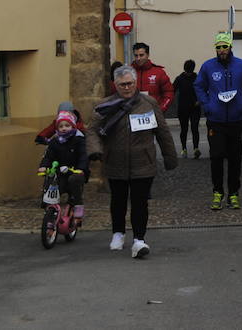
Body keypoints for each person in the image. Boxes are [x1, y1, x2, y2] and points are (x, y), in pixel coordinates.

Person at [86, 64, 178, 259]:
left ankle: (139, 238)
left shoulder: (149, 103)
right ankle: (118, 233)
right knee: (118, 200)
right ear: (115, 85)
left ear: (135, 83)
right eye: (122, 85)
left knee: (140, 202)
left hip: (142, 161)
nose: (126, 88)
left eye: (129, 84)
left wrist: (170, 157)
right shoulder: (105, 105)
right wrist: (95, 150)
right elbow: (93, 129)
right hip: (115, 161)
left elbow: (162, 131)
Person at [194, 31, 242, 210]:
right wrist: (207, 105)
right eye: (218, 47)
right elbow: (198, 86)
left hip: (236, 119)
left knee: (235, 158)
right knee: (216, 157)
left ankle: (234, 193)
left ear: (230, 47)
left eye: (224, 46)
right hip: (216, 120)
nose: (221, 50)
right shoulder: (208, 67)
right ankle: (218, 192)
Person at [37, 110, 89, 224]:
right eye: (61, 126)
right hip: (59, 171)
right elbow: (48, 156)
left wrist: (81, 169)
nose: (64, 128)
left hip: (74, 171)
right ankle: (48, 208)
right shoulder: (55, 141)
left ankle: (77, 207)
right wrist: (44, 166)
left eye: (67, 125)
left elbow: (83, 156)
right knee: (52, 184)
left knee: (74, 183)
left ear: (73, 126)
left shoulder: (78, 140)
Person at [131, 42, 174, 113]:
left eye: (141, 55)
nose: (138, 58)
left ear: (147, 55)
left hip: (154, 113)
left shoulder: (159, 72)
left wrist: (161, 109)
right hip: (134, 114)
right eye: (136, 55)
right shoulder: (128, 72)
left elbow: (169, 92)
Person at [173, 59, 201, 159]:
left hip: (195, 108)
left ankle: (196, 148)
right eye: (187, 72)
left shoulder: (197, 78)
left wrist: (199, 100)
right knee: (184, 129)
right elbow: (172, 90)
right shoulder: (179, 79)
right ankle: (184, 148)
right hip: (183, 108)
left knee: (194, 128)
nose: (189, 74)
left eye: (190, 72)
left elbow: (202, 90)